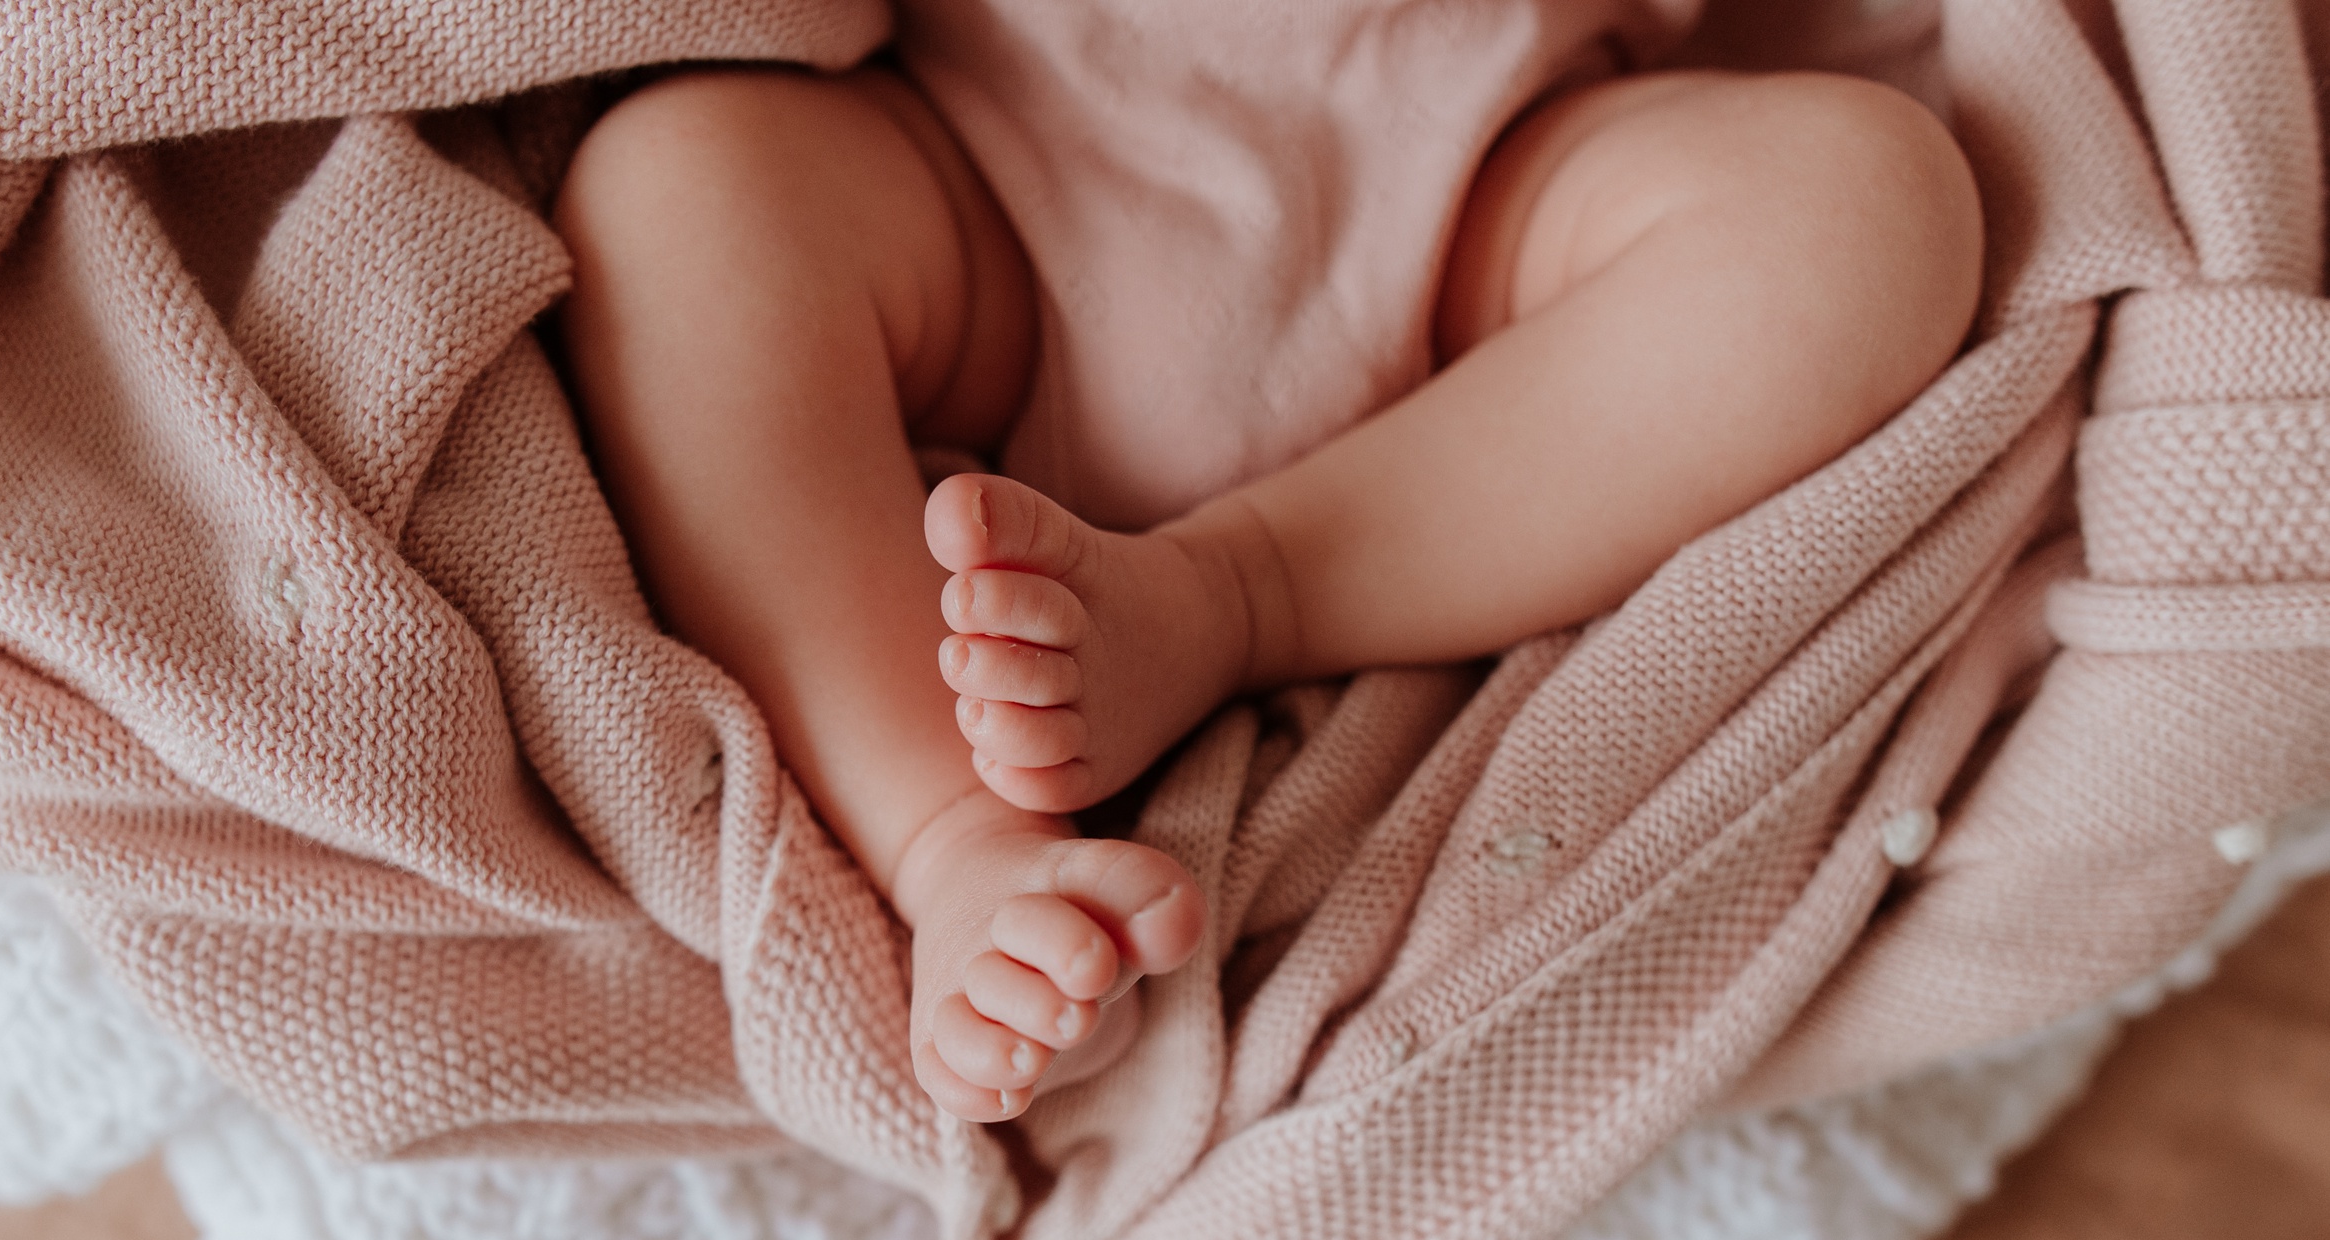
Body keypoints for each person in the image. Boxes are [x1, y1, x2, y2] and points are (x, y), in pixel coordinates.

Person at [552, 2, 1984, 1124]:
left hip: (1480, 202)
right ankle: (955, 842)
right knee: (678, 198)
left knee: (1869, 202)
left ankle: (1243, 591)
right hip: (998, 178)